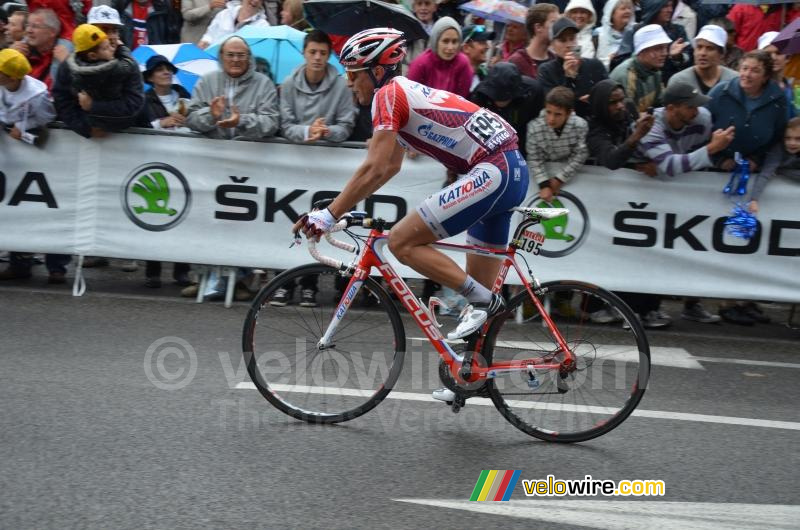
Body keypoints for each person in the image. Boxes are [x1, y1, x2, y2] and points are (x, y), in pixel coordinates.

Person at [294, 28, 529, 404]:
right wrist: (344, 209)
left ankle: (487, 304)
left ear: (375, 70)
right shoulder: (402, 94)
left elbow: (373, 167)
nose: (348, 80)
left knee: (403, 242)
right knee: (478, 299)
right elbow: (389, 168)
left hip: (492, 169)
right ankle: (469, 376)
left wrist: (328, 213)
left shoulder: (388, 95)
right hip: (507, 169)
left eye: (353, 73)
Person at [271, 30, 357, 307]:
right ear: (304, 53)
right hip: (294, 162)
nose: (318, 58)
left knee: (321, 223)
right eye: (313, 52)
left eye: (323, 52)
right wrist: (309, 130)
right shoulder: (288, 83)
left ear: (328, 54)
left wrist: (327, 131)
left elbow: (347, 125)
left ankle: (310, 286)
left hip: (328, 166)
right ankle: (283, 282)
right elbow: (284, 124)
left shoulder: (342, 85)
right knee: (288, 220)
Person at [0, 49, 69, 283]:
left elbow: (47, 119)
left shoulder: (36, 94)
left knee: (50, 207)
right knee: (16, 207)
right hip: (13, 159)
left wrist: (23, 126)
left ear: (12, 77)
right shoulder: (3, 86)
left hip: (40, 156)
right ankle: (19, 262)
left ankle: (57, 266)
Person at [52, 23, 144, 138]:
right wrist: (84, 126)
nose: (111, 36)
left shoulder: (128, 65)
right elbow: (61, 99)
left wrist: (94, 105)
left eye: (115, 31)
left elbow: (134, 104)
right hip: (84, 141)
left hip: (128, 138)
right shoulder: (68, 67)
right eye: (104, 30)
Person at [707, 50, 787, 171]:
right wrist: (718, 160)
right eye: (744, 68)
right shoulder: (720, 92)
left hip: (755, 168)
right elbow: (700, 128)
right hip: (715, 165)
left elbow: (778, 136)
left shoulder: (778, 99)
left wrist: (756, 159)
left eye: (755, 71)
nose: (747, 74)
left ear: (765, 77)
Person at [186, 36, 279, 140]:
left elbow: (272, 122)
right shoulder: (206, 81)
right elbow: (190, 119)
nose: (235, 59)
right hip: (212, 149)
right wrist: (210, 115)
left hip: (250, 150)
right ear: (221, 56)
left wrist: (241, 120)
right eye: (230, 55)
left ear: (249, 57)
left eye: (241, 55)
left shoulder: (264, 83)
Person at [525, 87, 589, 203]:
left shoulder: (581, 126)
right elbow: (534, 158)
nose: (551, 119)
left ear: (569, 113)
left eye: (558, 114)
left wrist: (560, 179)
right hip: (541, 178)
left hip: (570, 178)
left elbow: (580, 155)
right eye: (548, 112)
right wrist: (544, 184)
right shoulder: (534, 127)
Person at [536, 17, 608, 119]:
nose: (569, 45)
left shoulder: (595, 65)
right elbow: (554, 108)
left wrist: (596, 98)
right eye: (562, 40)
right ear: (552, 45)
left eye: (572, 38)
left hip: (596, 122)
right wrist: (569, 77)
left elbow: (610, 93)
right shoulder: (546, 70)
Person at [469, 61, 544, 159]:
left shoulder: (533, 91)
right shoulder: (480, 95)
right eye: (496, 96)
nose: (500, 101)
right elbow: (473, 128)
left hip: (522, 137)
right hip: (489, 141)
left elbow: (536, 121)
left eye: (504, 98)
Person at [610, 0, 692, 83]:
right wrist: (643, 56)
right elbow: (621, 62)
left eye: (671, 6)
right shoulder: (635, 31)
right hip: (639, 82)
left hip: (671, 83)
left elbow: (690, 58)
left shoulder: (677, 30)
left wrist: (677, 57)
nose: (670, 10)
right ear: (653, 6)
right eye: (665, 6)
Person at [609, 24, 670, 113]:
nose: (665, 53)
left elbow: (660, 104)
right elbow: (627, 115)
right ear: (641, 51)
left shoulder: (655, 71)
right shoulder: (626, 75)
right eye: (658, 49)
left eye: (665, 48)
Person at [407, 16, 472, 98]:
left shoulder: (463, 63)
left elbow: (462, 99)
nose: (450, 47)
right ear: (435, 41)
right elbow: (412, 97)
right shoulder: (420, 64)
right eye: (445, 41)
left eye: (455, 41)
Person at [667, 24, 737, 95]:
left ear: (721, 54)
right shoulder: (679, 81)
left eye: (710, 48)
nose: (702, 53)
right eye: (699, 47)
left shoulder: (734, 80)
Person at [10, 9, 69, 90]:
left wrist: (66, 65)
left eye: (35, 26)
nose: (28, 30)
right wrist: (10, 57)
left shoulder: (65, 54)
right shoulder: (21, 51)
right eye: (28, 25)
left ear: (52, 32)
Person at [508, 3, 559, 79]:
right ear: (538, 27)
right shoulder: (517, 61)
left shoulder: (556, 60)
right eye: (554, 23)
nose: (559, 27)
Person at [198, 0, 269, 50]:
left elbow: (260, 50)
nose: (256, 0)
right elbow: (210, 34)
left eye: (261, 0)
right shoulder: (224, 14)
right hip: (214, 61)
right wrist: (205, 41)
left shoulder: (263, 26)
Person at [112, 0, 182, 49]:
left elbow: (171, 37)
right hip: (128, 61)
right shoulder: (121, 6)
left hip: (155, 62)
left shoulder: (163, 7)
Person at [757, 31, 796, 120]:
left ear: (788, 58)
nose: (773, 58)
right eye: (768, 54)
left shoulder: (795, 87)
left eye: (778, 53)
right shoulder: (752, 86)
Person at [596, 0, 635, 69]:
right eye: (623, 8)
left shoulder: (634, 31)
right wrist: (609, 60)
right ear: (611, 13)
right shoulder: (599, 34)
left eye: (629, 8)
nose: (628, 11)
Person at [461, 24, 494, 92]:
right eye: (482, 42)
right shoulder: (455, 76)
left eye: (486, 42)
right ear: (466, 48)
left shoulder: (485, 76)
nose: (488, 47)